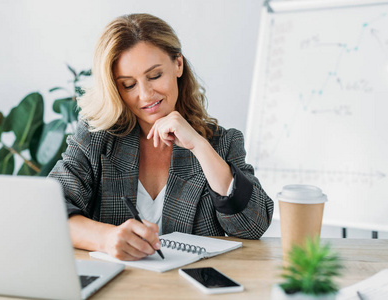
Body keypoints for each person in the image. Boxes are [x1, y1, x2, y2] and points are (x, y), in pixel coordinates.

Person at [49, 13, 273, 261]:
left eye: (154, 76)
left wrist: (199, 146)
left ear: (178, 64)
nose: (145, 95)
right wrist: (106, 238)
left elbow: (253, 226)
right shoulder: (97, 140)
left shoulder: (222, 143)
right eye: (128, 85)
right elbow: (46, 212)